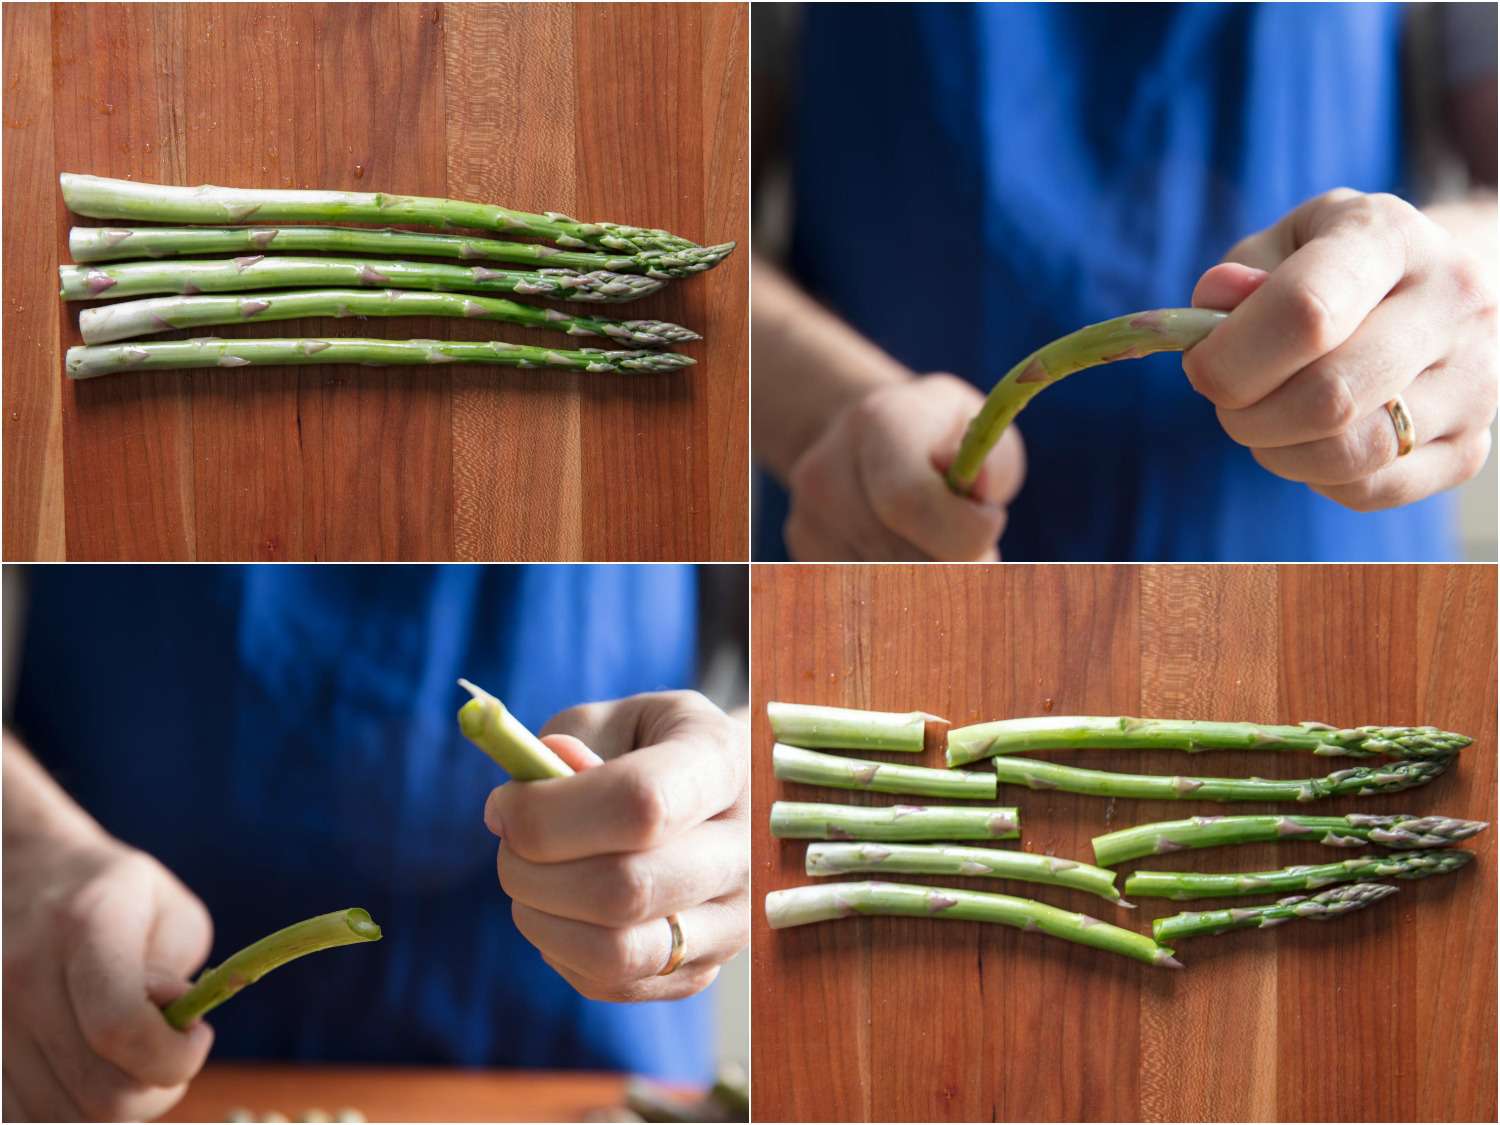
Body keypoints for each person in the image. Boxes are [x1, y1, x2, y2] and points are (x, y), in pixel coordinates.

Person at [752, 3, 1498, 561]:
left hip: (1324, 573)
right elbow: (677, 234)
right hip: (890, 543)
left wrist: (1457, 285)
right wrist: (826, 413)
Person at [2, 565, 748, 1122]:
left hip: (596, 1062)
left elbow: (811, 609)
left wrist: (730, 773)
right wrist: (24, 841)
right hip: (108, 1037)